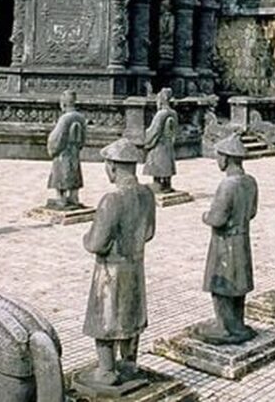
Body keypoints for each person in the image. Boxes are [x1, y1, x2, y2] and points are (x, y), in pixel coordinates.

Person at [81, 138, 156, 389]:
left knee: (105, 318)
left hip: (111, 270)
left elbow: (97, 243)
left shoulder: (111, 200)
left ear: (112, 166)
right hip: (135, 266)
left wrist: (86, 238)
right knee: (132, 313)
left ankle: (107, 370)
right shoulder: (147, 194)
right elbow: (149, 232)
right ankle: (129, 363)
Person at [196, 133, 259, 345]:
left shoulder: (228, 185)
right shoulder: (250, 181)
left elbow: (218, 218)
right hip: (243, 238)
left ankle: (223, 326)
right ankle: (238, 323)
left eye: (219, 156)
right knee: (239, 283)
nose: (217, 161)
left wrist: (206, 216)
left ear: (226, 158)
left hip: (225, 241)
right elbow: (251, 212)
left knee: (221, 284)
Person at [46, 89, 87, 209]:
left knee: (60, 174)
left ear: (63, 104)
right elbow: (84, 137)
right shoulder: (81, 117)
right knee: (74, 172)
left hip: (63, 152)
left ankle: (61, 199)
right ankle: (74, 197)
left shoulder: (65, 118)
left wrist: (52, 149)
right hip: (74, 151)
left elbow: (57, 136)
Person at [142, 87, 178, 192]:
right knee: (168, 162)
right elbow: (175, 130)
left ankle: (157, 183)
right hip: (168, 143)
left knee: (158, 162)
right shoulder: (173, 113)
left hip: (159, 144)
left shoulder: (161, 114)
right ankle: (167, 183)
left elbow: (155, 130)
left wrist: (147, 139)